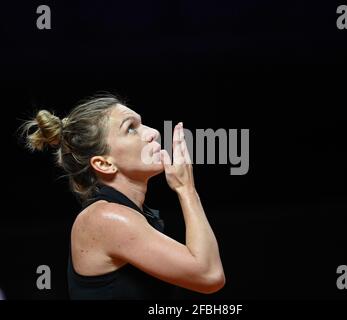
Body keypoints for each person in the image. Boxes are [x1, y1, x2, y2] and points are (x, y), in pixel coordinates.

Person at [21, 95, 225, 299]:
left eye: (142, 124)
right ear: (104, 164)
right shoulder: (105, 218)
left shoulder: (127, 213)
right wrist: (186, 189)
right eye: (131, 128)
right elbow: (209, 276)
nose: (153, 133)